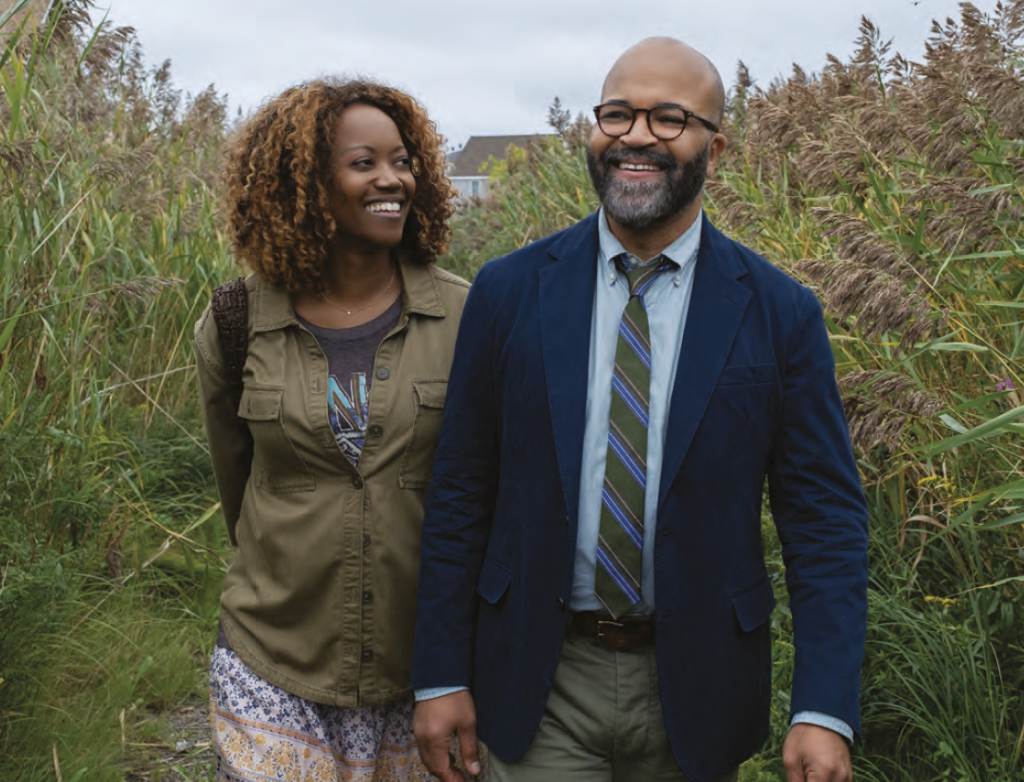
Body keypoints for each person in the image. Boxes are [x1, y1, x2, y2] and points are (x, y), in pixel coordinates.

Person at [411, 38, 869, 782]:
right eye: (618, 114)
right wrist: (439, 672)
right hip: (541, 674)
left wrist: (822, 708)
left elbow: (824, 521)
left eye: (668, 119)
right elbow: (461, 489)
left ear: (713, 149)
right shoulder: (508, 292)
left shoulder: (780, 312)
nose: (635, 136)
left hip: (697, 681)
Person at [195, 77, 468, 781]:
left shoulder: (471, 319)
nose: (392, 179)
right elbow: (241, 486)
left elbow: (483, 495)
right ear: (305, 182)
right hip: (272, 654)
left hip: (422, 669)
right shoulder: (236, 321)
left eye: (403, 161)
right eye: (363, 163)